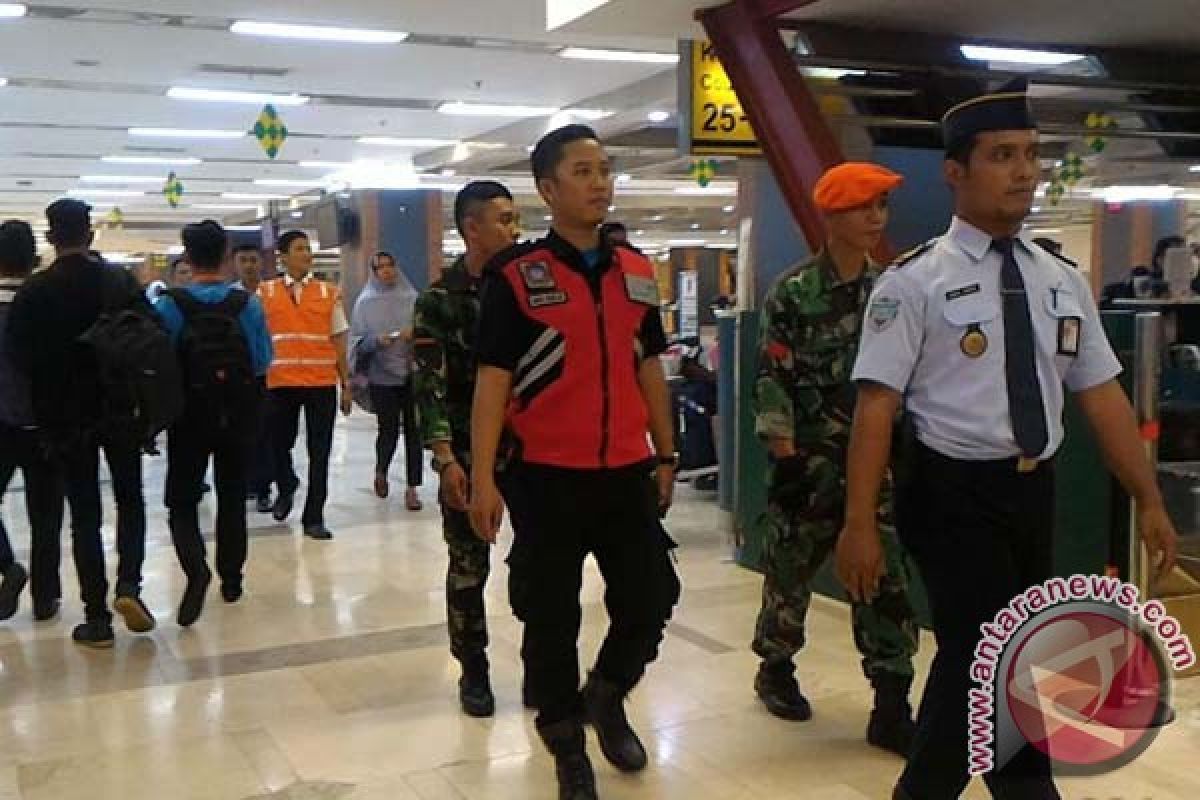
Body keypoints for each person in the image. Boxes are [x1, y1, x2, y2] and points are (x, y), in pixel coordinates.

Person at [836, 79, 1179, 799]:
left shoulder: (1058, 278)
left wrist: (1147, 496)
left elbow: (1102, 395)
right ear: (956, 172)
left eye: (1030, 154)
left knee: (999, 658)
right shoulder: (914, 283)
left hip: (1032, 489)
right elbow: (875, 408)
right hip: (950, 491)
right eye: (1001, 155)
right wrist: (858, 523)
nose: (1024, 171)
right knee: (985, 651)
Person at [470, 125, 681, 800]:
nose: (600, 182)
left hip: (625, 472)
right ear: (548, 189)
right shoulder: (518, 278)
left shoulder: (637, 272)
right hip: (545, 477)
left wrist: (666, 450)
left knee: (651, 598)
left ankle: (608, 693)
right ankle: (566, 744)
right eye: (584, 171)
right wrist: (480, 479)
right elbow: (492, 382)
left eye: (606, 170)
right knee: (551, 617)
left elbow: (649, 366)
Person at [751, 162, 919, 756]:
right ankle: (775, 666)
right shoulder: (794, 294)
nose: (876, 218)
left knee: (882, 578)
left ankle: (892, 700)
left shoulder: (893, 290)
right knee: (790, 574)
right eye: (862, 207)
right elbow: (774, 377)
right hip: (810, 462)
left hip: (876, 469)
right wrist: (786, 455)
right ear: (832, 215)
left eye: (881, 206)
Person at [5, 199, 156, 647]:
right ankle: (129, 586)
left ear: (51, 239)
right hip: (121, 409)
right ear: (90, 234)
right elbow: (148, 339)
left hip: (66, 419)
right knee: (131, 501)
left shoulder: (35, 292)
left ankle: (97, 618)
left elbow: (20, 357)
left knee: (85, 514)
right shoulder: (120, 281)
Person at [412, 180, 519, 717]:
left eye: (516, 217)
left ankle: (547, 664)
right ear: (471, 227)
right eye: (503, 219)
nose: (514, 228)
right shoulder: (439, 301)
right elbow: (428, 384)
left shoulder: (528, 289)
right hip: (468, 450)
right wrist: (447, 457)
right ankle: (472, 667)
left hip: (530, 451)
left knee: (542, 561)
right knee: (469, 564)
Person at [155, 221, 273, 626]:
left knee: (182, 499)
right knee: (232, 493)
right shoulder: (247, 305)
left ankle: (195, 568)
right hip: (238, 413)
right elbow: (261, 361)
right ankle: (232, 579)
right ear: (225, 255)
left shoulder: (169, 305)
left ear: (186, 256)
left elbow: (159, 365)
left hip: (187, 415)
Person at [259, 231, 352, 540]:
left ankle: (314, 516)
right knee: (276, 444)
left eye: (308, 249)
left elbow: (339, 339)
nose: (307, 254)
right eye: (299, 249)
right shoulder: (265, 293)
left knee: (320, 452)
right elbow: (260, 338)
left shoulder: (327, 293)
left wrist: (346, 383)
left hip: (320, 383)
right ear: (282, 257)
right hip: (280, 383)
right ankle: (286, 485)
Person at [0, 220, 63, 622]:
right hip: (46, 422)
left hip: (0, 421)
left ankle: (7, 565)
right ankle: (46, 595)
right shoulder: (48, 303)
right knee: (47, 513)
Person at [350, 251, 424, 510]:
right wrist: (375, 340)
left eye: (390, 266)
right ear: (374, 272)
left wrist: (414, 333)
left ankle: (412, 488)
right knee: (389, 430)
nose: (386, 271)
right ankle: (381, 470)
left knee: (415, 433)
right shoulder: (365, 303)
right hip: (382, 376)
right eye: (380, 268)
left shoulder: (412, 298)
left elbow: (426, 329)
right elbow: (356, 341)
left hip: (411, 372)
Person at [232, 244, 274, 511]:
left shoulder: (271, 295)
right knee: (240, 431)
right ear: (235, 264)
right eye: (243, 260)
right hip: (237, 372)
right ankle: (244, 482)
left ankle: (263, 487)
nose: (249, 265)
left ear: (261, 263)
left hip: (267, 372)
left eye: (253, 260)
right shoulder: (229, 297)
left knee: (265, 431)